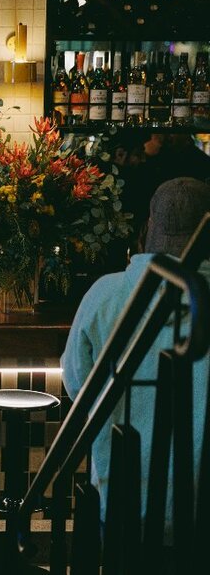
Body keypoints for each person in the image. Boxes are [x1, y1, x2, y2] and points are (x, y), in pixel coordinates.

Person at [61, 177, 210, 543]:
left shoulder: (104, 295)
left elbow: (77, 386)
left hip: (123, 505)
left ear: (148, 229)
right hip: (202, 517)